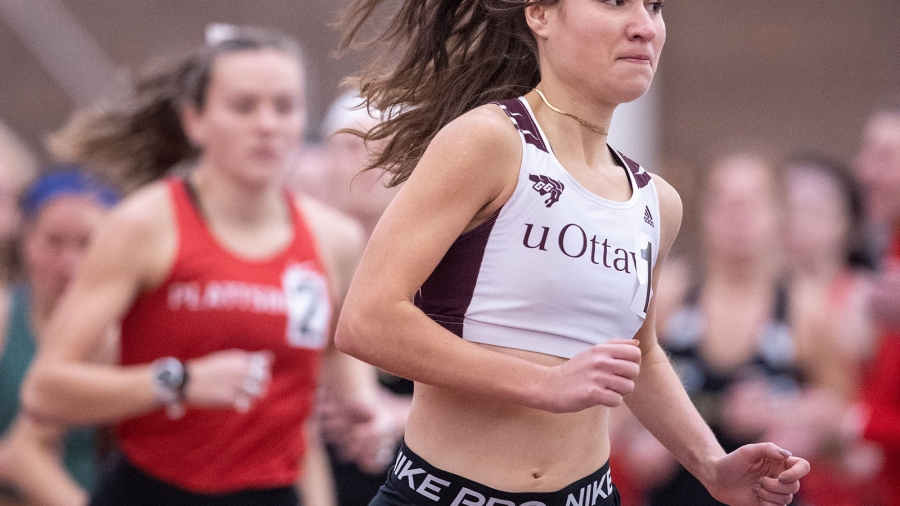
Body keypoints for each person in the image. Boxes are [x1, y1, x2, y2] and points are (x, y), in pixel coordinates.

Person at [334, 1, 809, 506]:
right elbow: (366, 321)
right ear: (539, 14)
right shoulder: (489, 141)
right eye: (614, 2)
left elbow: (640, 354)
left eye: (655, 7)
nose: (644, 27)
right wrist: (541, 384)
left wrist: (710, 465)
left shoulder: (657, 201)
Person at [21, 25, 391, 506]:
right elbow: (45, 391)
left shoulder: (333, 239)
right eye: (243, 106)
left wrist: (368, 409)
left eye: (285, 107)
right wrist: (178, 381)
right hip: (155, 489)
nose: (267, 124)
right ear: (195, 120)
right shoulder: (146, 225)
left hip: (272, 492)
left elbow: (331, 350)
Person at [0, 168, 118, 506]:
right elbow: (22, 455)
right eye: (53, 242)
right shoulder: (6, 319)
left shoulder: (125, 336)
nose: (69, 264)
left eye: (87, 243)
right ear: (26, 240)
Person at [313, 92, 409, 506]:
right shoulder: (287, 253)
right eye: (351, 145)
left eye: (387, 146)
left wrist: (399, 417)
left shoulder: (447, 266)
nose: (369, 161)